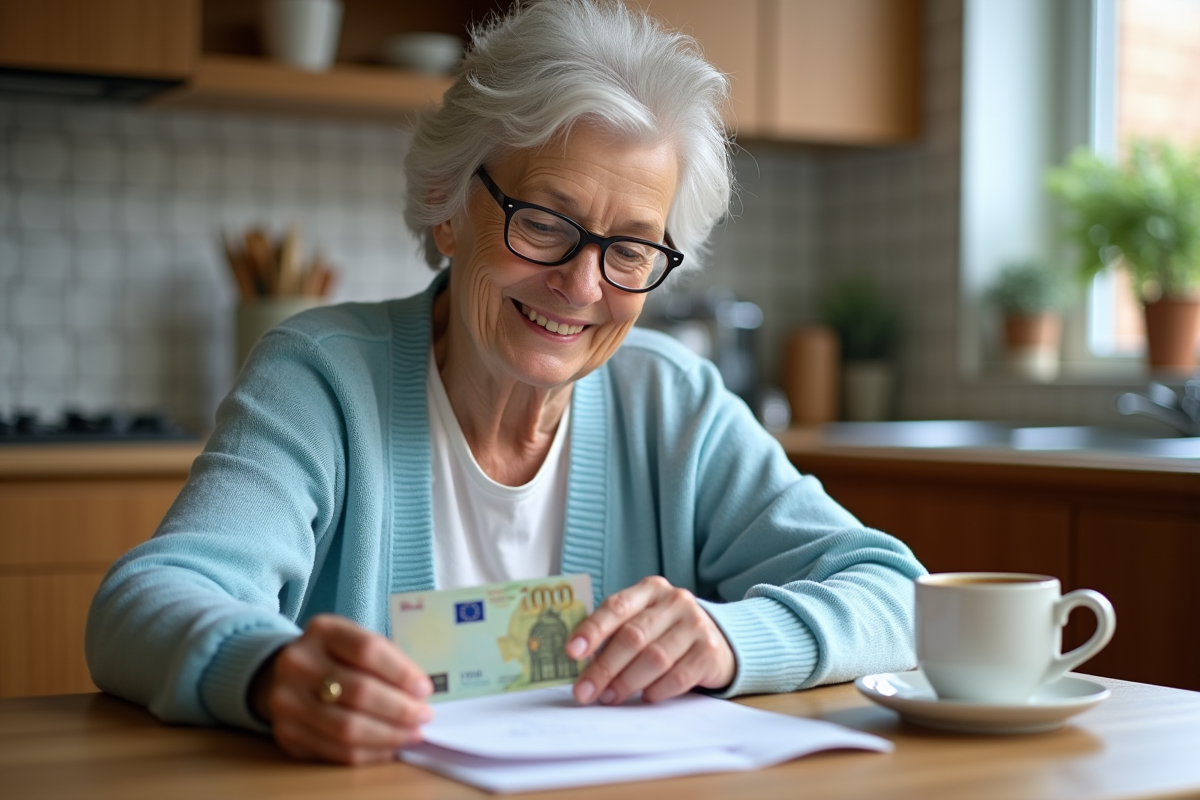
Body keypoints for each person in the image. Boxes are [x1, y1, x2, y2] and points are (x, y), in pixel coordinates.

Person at [86, 0, 925, 766]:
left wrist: (728, 639)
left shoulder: (673, 401)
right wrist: (265, 670)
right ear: (448, 206)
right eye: (547, 223)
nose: (584, 285)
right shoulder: (322, 378)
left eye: (631, 247)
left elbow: (898, 595)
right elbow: (142, 603)